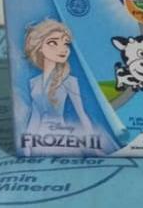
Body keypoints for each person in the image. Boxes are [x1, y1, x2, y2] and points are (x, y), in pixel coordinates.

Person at [23, 19, 95, 156]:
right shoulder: (34, 82)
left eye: (65, 43)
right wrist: (26, 147)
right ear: (39, 47)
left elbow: (82, 115)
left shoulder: (69, 81)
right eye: (53, 43)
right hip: (39, 141)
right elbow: (35, 117)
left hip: (62, 139)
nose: (63, 49)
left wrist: (93, 145)